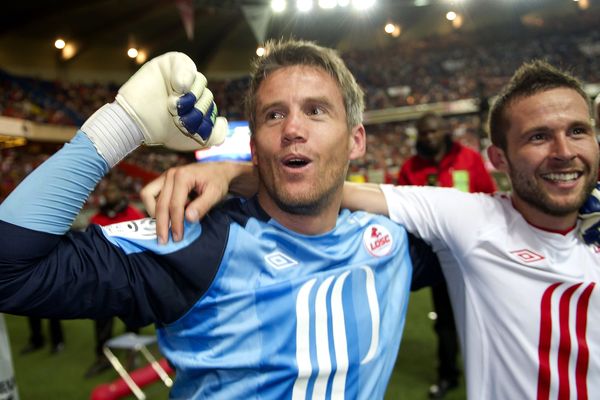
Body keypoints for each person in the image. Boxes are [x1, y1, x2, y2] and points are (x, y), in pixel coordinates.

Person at [0, 41, 439, 398]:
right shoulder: (198, 242)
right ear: (255, 146)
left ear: (356, 140)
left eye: (316, 110)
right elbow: (8, 271)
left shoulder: (394, 240)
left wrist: (233, 174)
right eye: (274, 114)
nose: (292, 129)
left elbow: (494, 215)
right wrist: (122, 125)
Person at [142, 59, 600, 399]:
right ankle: (446, 372)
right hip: (449, 261)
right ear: (497, 159)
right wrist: (228, 172)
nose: (563, 150)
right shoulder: (471, 217)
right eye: (538, 137)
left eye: (579, 132)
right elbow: (327, 188)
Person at [398, 112, 496, 398]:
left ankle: (492, 372)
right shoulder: (410, 168)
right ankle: (448, 375)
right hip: (439, 259)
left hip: (477, 254)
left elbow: (490, 199)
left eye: (433, 131)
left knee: (488, 317)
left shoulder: (469, 159)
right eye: (424, 133)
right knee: (445, 322)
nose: (429, 137)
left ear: (444, 131)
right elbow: (402, 214)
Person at [85, 179, 145, 378]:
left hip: (130, 278)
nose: (109, 193)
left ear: (120, 192)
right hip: (104, 281)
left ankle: (132, 354)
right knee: (102, 321)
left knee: (133, 320)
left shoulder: (133, 215)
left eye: (113, 189)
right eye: (107, 190)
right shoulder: (95, 219)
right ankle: (102, 358)